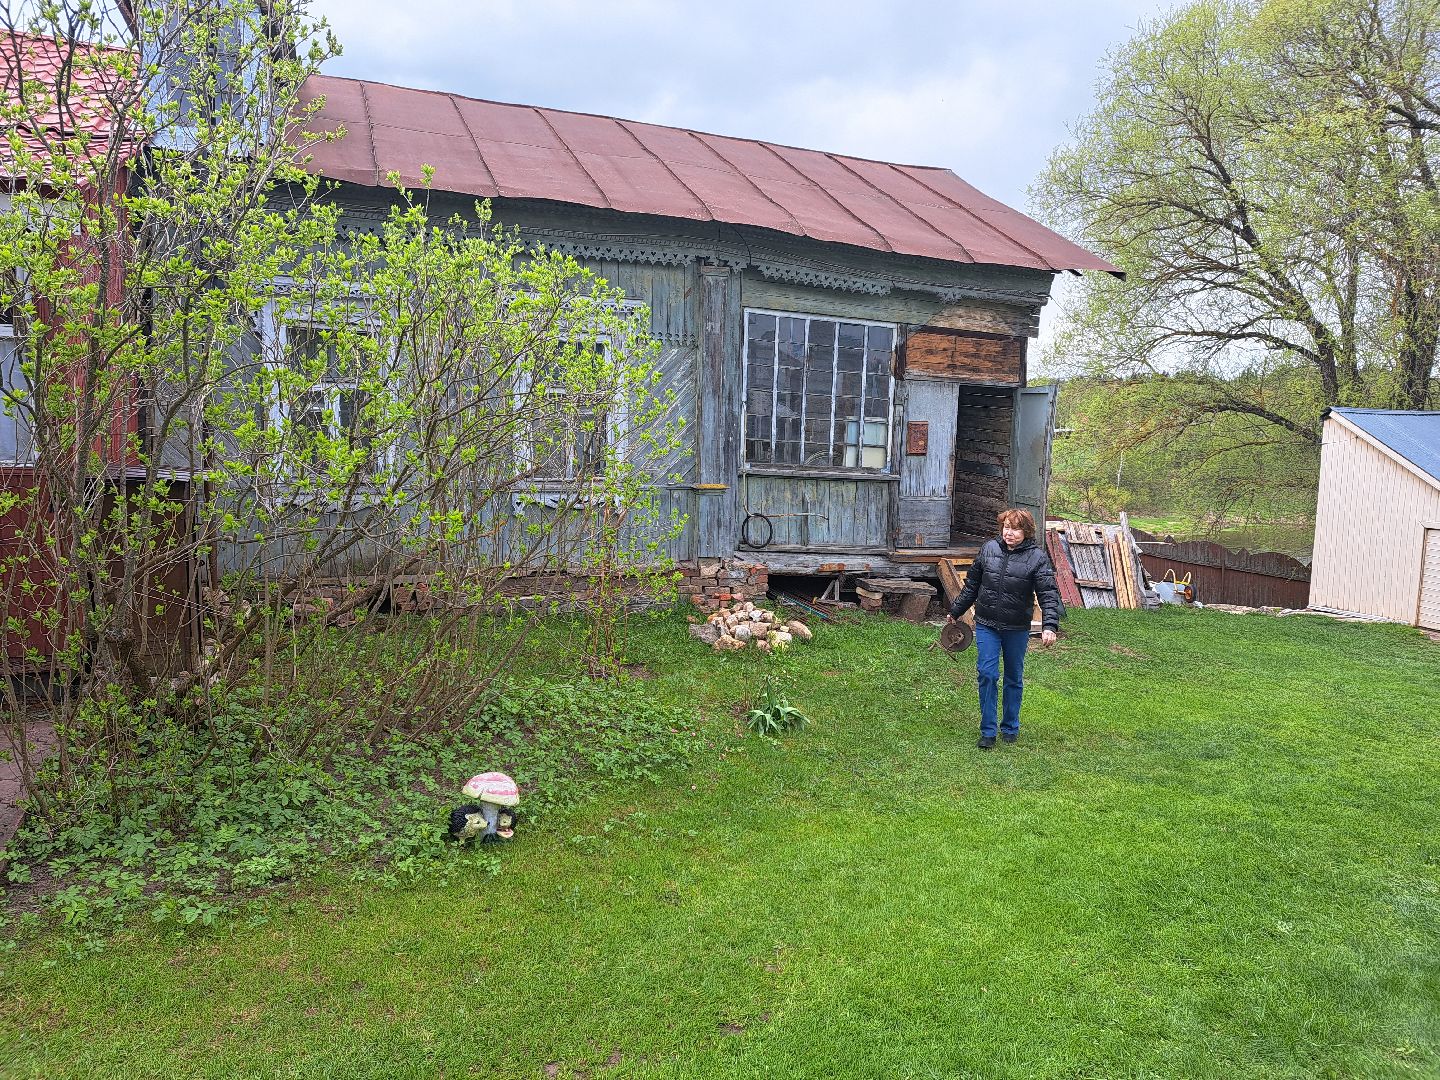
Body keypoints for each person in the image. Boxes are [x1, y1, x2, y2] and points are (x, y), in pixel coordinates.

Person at [947, 508, 1062, 749]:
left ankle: (1010, 726)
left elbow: (1048, 594)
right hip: (987, 624)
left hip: (1017, 627)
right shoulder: (989, 549)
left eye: (1015, 529)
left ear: (1026, 531)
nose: (1009, 533)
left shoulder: (1037, 558)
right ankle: (988, 731)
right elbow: (972, 585)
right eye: (1006, 527)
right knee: (987, 674)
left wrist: (1049, 625)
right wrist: (956, 610)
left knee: (1013, 677)